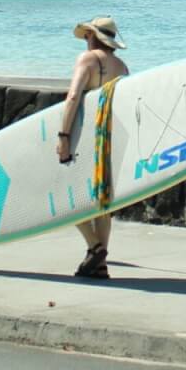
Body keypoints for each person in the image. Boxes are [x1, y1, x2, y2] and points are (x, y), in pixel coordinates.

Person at [57, 16, 129, 279]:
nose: (86, 40)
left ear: (94, 37)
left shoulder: (87, 60)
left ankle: (94, 246)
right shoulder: (122, 67)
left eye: (88, 35)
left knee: (66, 196)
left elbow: (74, 96)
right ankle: (100, 266)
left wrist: (63, 135)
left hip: (84, 139)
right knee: (103, 203)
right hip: (109, 141)